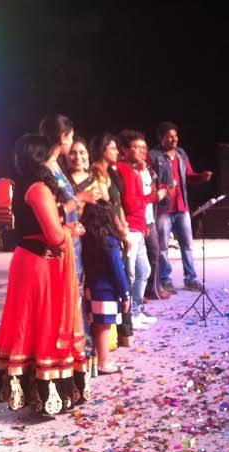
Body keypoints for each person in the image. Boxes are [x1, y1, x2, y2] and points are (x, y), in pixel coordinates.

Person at [0, 134, 88, 415]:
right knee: (43, 325)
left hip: (34, 262)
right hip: (39, 266)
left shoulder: (30, 185)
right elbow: (55, 236)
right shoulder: (38, 188)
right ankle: (44, 395)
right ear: (40, 158)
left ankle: (38, 394)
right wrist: (70, 230)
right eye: (50, 156)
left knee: (35, 325)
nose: (54, 162)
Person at [39, 114, 100, 373]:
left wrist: (75, 223)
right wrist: (80, 199)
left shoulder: (55, 166)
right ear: (63, 137)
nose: (72, 142)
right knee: (69, 302)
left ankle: (81, 356)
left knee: (77, 299)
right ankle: (72, 358)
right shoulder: (45, 169)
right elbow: (51, 212)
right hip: (62, 246)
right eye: (71, 137)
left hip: (73, 242)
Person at [148, 122, 213, 293]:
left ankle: (191, 278)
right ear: (161, 138)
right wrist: (160, 190)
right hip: (163, 209)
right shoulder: (153, 155)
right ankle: (165, 280)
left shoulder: (181, 153)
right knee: (163, 248)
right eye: (169, 136)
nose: (174, 139)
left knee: (188, 245)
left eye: (175, 135)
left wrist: (201, 177)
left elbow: (189, 176)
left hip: (182, 207)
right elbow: (148, 181)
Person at [116, 130, 169, 327]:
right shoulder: (124, 169)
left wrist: (145, 223)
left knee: (144, 270)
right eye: (136, 147)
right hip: (130, 228)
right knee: (130, 274)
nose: (142, 151)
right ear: (124, 150)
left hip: (139, 226)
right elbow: (131, 204)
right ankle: (128, 316)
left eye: (144, 148)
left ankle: (136, 310)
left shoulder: (137, 170)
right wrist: (154, 197)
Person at [89, 133, 134, 346]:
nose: (117, 152)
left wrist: (124, 227)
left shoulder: (112, 173)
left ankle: (125, 333)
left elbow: (118, 204)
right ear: (102, 150)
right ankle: (117, 334)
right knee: (116, 279)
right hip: (104, 231)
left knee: (126, 277)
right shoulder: (94, 174)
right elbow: (106, 207)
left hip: (117, 228)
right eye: (113, 148)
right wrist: (121, 231)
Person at [80, 201, 131, 374]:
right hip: (106, 291)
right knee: (104, 326)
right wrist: (125, 294)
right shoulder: (109, 242)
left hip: (91, 287)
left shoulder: (87, 240)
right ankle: (103, 363)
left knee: (95, 325)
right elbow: (118, 271)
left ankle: (97, 360)